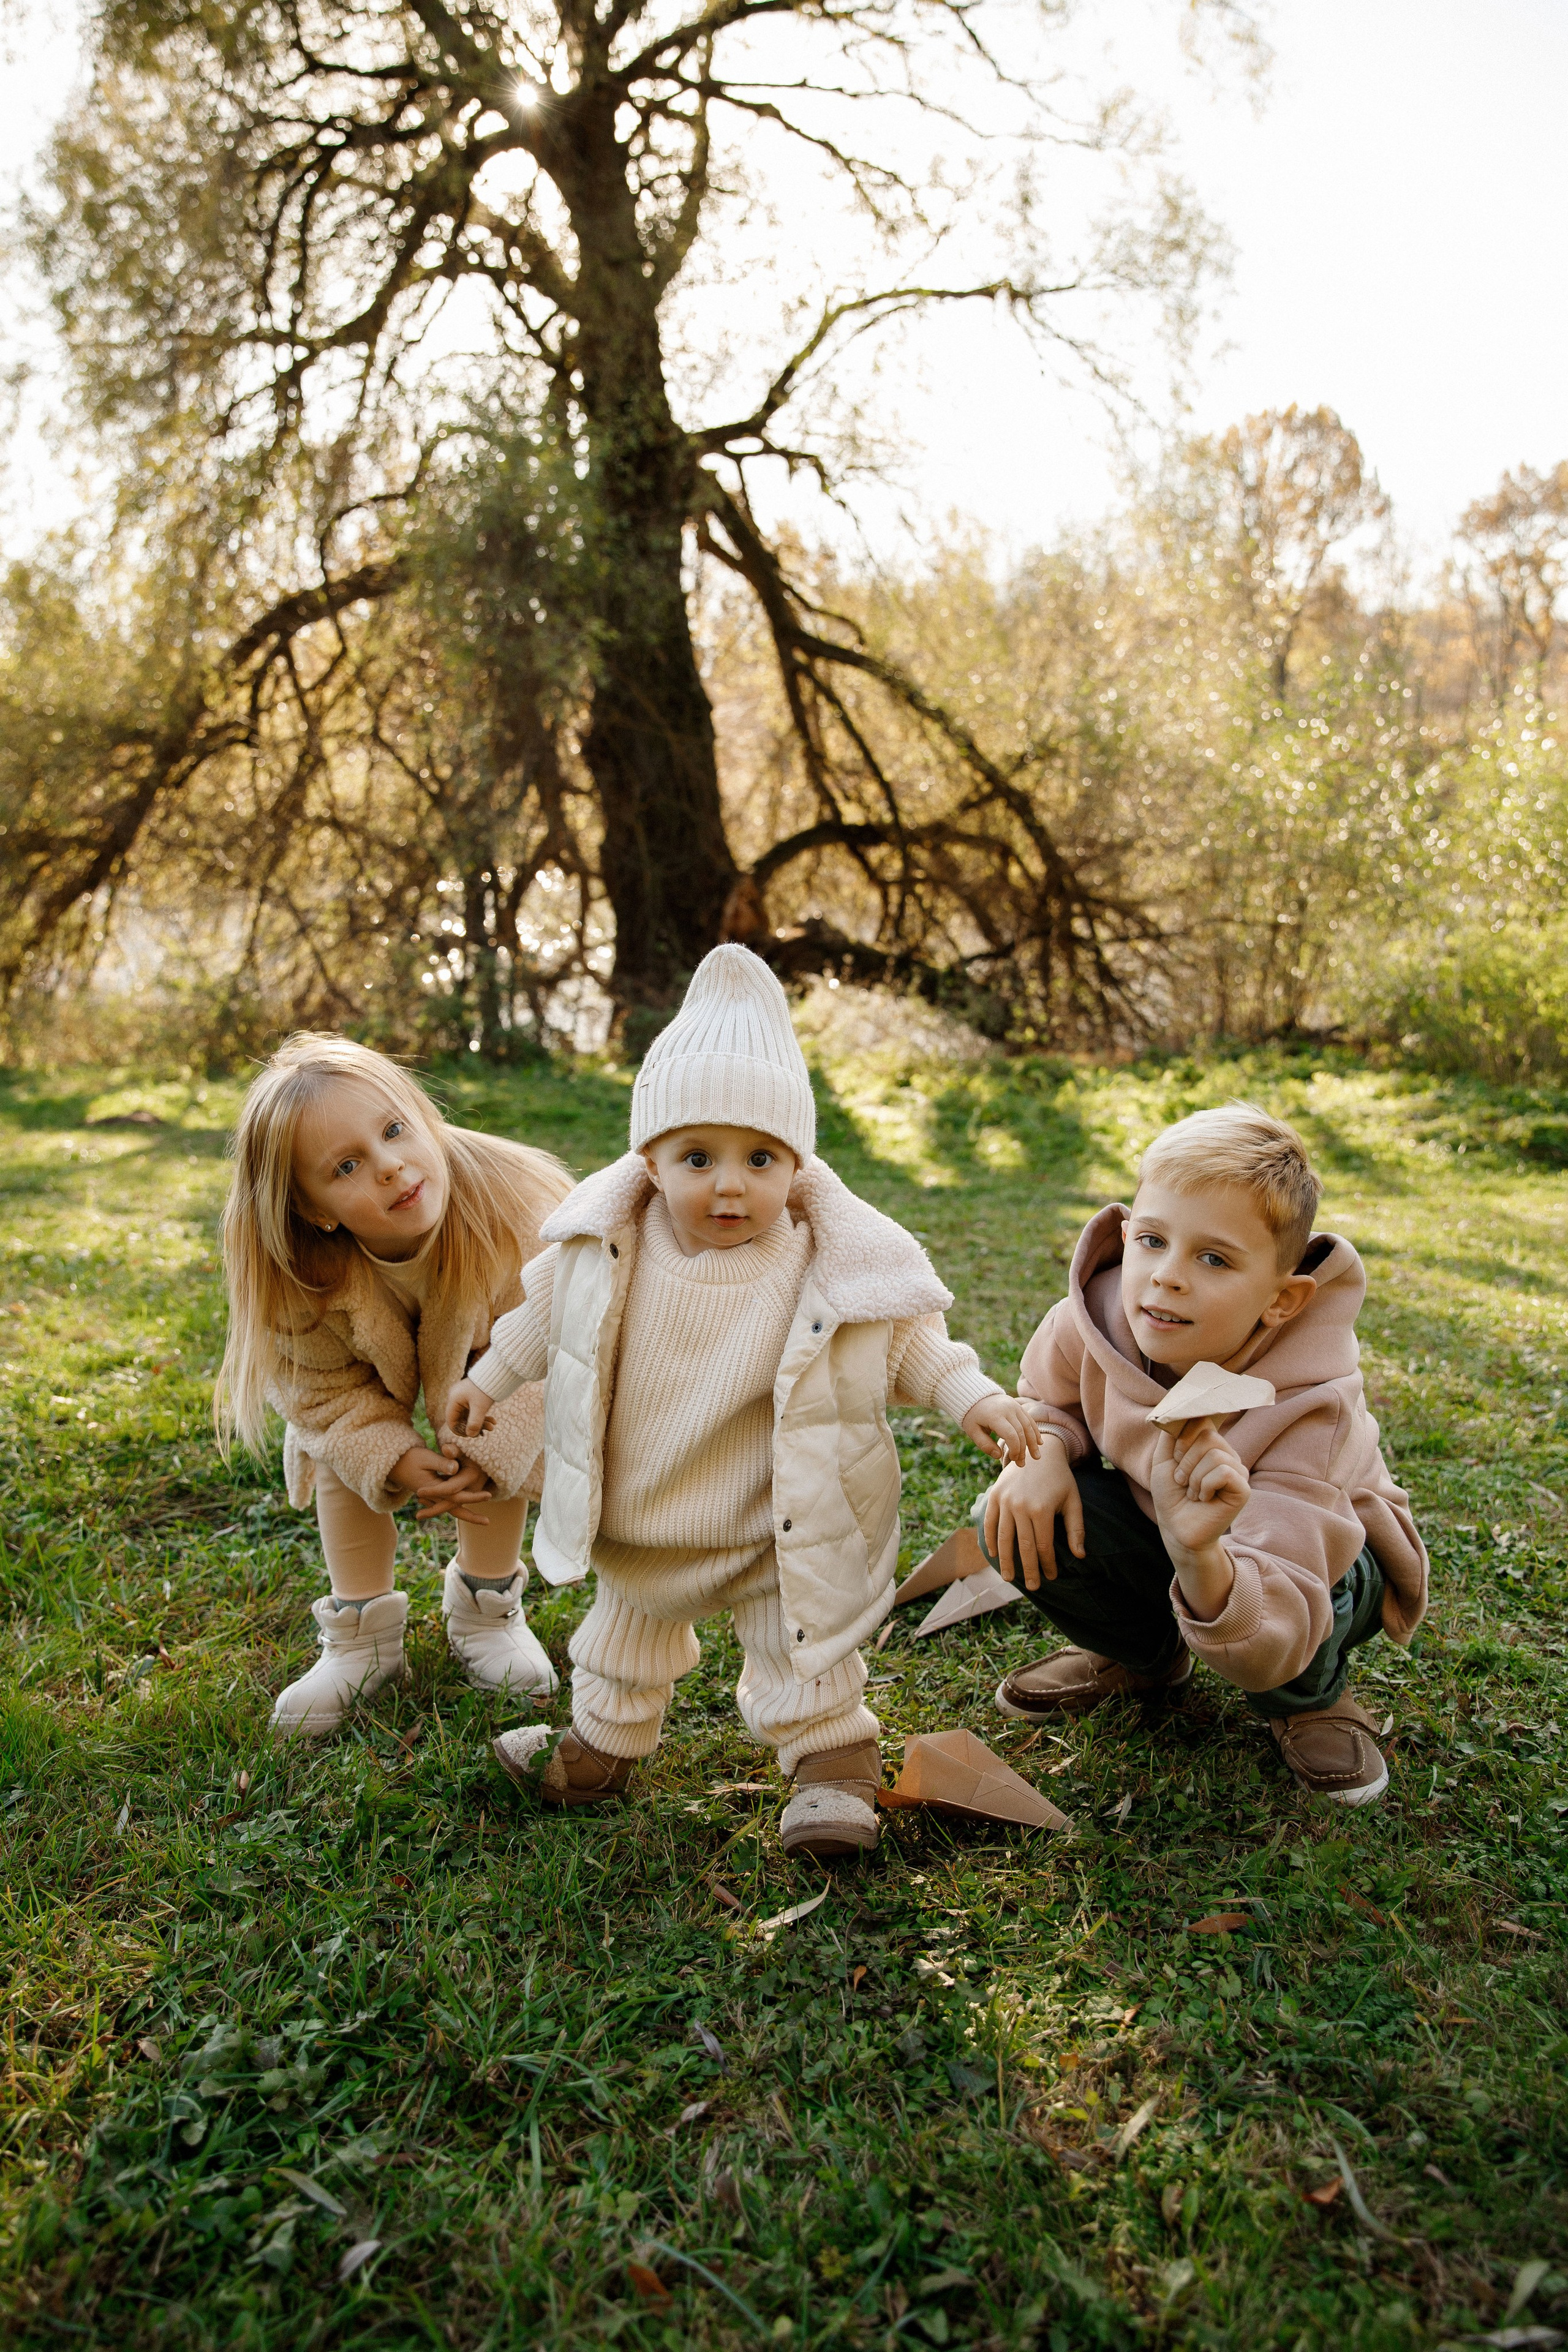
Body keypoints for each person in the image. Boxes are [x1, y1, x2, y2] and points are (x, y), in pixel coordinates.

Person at [444, 946, 1041, 1860]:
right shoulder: (605, 1248)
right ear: (649, 1159)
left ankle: (832, 1775)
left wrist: (974, 1398)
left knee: (806, 1660)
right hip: (644, 1521)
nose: (730, 1183)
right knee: (618, 1650)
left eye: (760, 1158)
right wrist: (485, 1384)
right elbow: (540, 1325)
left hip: (772, 1528)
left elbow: (908, 1340)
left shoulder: (820, 1257)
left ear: (796, 1163)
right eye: (698, 1156)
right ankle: (599, 1752)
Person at [978, 1104, 1428, 1805]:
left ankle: (1307, 1699)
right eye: (1153, 1241)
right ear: (1126, 1235)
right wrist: (1038, 1454)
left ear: (1281, 1300)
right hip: (1172, 1530)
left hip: (1313, 1562)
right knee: (1006, 1510)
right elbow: (1048, 1401)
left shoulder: (1316, 1402)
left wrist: (1201, 1556)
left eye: (1213, 1258)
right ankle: (1146, 1660)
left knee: (1324, 1585)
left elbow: (1289, 1568)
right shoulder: (1090, 1320)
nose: (1166, 1277)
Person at [216, 1033, 572, 1736]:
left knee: (493, 1422)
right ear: (314, 1207)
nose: (390, 1167)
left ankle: (487, 1606)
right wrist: (392, 1455)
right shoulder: (298, 1270)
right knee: (342, 1444)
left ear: (419, 1113)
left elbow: (548, 1351)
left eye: (393, 1131)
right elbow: (324, 1398)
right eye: (347, 1165)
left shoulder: (516, 1210)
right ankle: (362, 1634)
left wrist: (482, 1451)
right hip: (353, 1391)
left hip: (499, 1367)